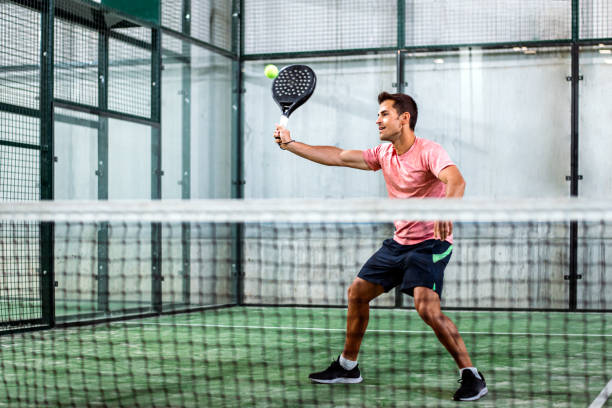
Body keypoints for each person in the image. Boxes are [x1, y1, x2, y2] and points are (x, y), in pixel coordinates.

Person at [272, 92, 488, 401]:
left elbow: (456, 181)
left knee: (426, 307)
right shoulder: (384, 154)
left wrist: (446, 210)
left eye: (384, 114)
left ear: (404, 118)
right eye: (378, 114)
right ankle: (348, 366)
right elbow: (339, 156)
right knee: (357, 294)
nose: (377, 120)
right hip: (398, 243)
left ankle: (472, 375)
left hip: (430, 244)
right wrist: (291, 144)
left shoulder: (429, 151)